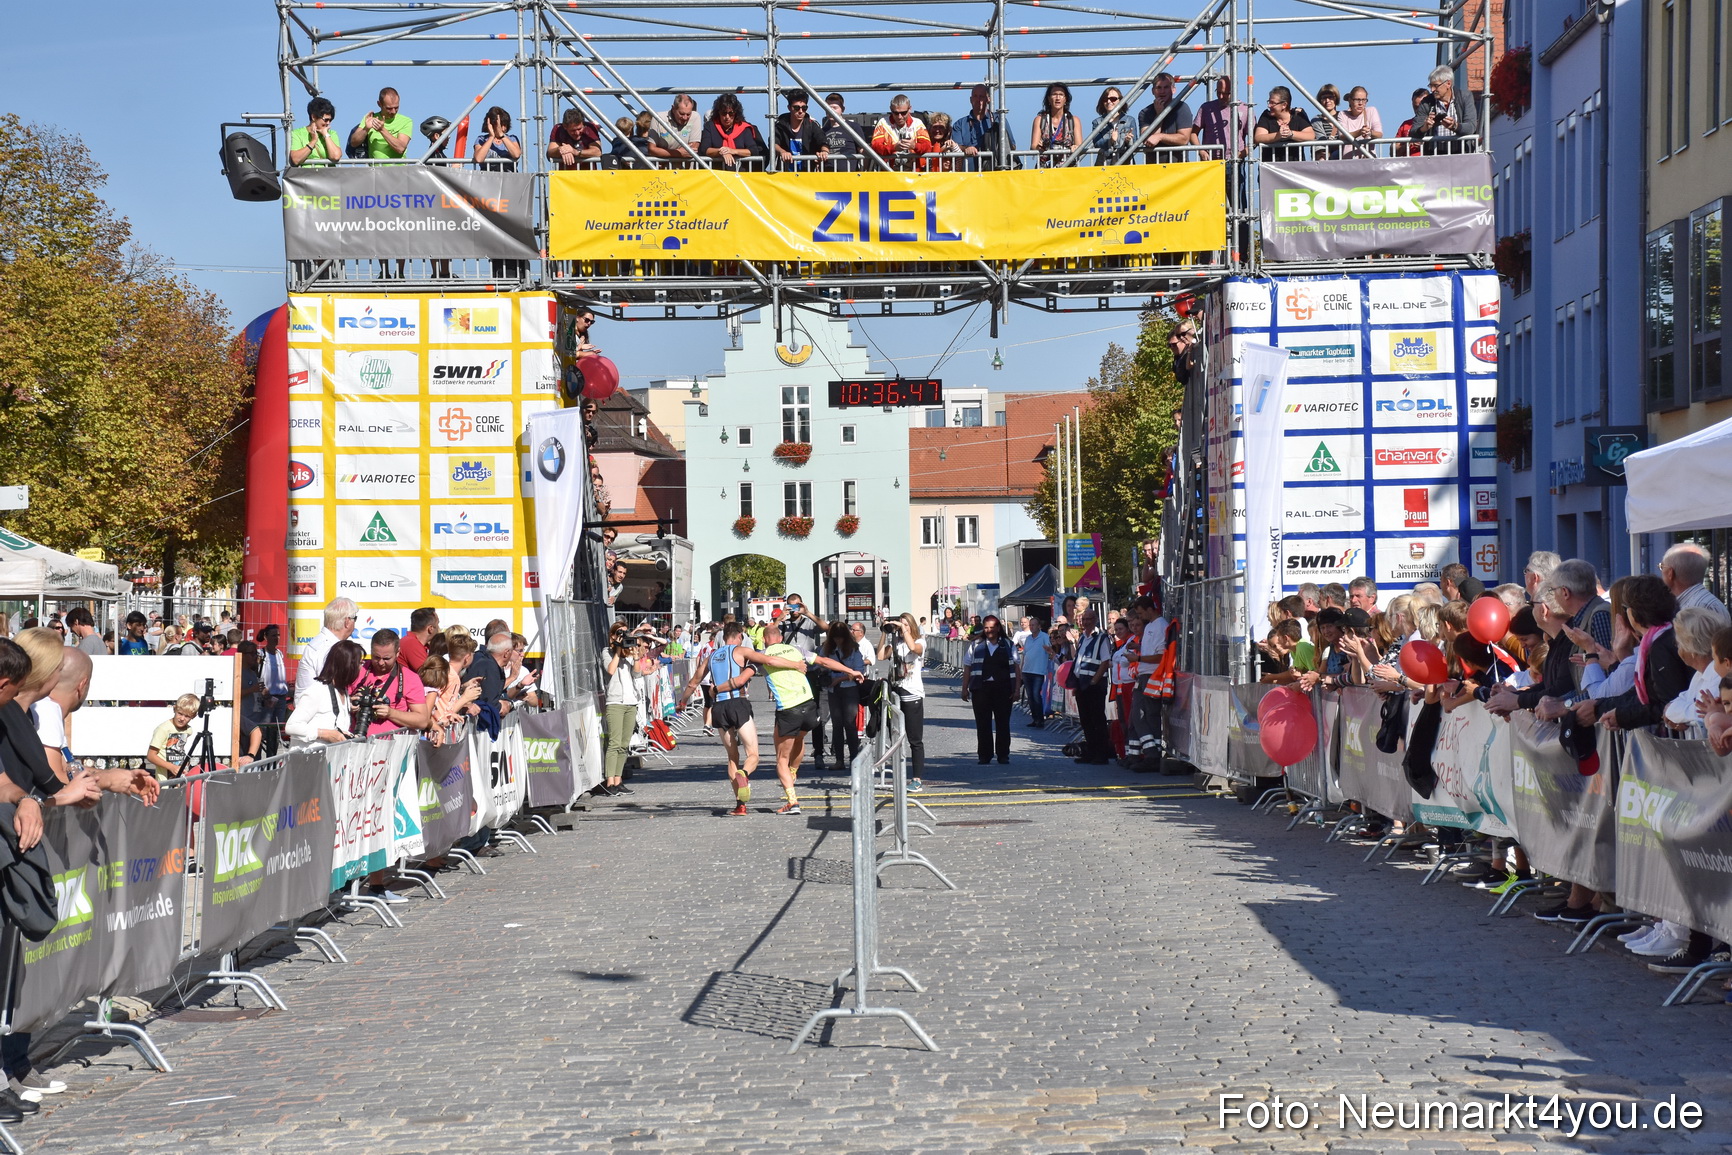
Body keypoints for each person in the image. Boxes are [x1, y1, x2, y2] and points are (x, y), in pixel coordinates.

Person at [701, 621, 807, 815]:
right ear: (740, 636)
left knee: (732, 757)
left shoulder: (711, 656)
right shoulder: (741, 651)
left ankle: (740, 805)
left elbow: (693, 682)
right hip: (738, 704)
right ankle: (745, 773)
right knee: (753, 755)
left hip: (719, 707)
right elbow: (770, 660)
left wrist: (682, 703)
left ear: (723, 637)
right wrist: (796, 665)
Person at [762, 623, 855, 814]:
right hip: (809, 705)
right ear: (780, 638)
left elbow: (751, 670)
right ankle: (794, 772)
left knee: (781, 759)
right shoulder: (796, 649)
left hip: (788, 709)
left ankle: (793, 802)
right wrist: (850, 671)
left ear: (765, 639)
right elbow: (824, 662)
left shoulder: (763, 654)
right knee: (800, 737)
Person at [778, 593, 829, 765]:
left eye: (796, 605)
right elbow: (769, 635)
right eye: (791, 606)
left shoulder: (808, 622)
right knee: (788, 710)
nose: (794, 610)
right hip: (789, 672)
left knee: (815, 712)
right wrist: (779, 618)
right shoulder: (783, 624)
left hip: (809, 671)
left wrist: (808, 613)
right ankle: (788, 751)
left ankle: (819, 752)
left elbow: (825, 628)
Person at [878, 613, 928, 789]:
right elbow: (880, 656)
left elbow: (914, 648)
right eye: (900, 625)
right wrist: (885, 631)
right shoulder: (896, 643)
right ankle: (899, 774)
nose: (900, 628)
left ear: (911, 626)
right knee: (895, 736)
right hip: (897, 692)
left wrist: (904, 628)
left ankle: (917, 779)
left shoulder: (920, 641)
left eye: (905, 624)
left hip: (912, 695)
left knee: (915, 739)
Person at [285, 639, 364, 746]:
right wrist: (325, 734)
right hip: (309, 760)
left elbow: (333, 726)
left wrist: (343, 734)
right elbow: (291, 726)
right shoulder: (318, 690)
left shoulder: (342, 691)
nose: (362, 667)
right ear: (348, 665)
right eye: (360, 663)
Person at [351, 629, 430, 736]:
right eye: (376, 657)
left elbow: (422, 721)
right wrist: (348, 705)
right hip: (355, 742)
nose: (380, 663)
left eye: (386, 658)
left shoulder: (410, 678)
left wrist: (390, 713)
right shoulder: (357, 670)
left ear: (397, 653)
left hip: (391, 748)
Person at [961, 615, 1016, 764]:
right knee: (982, 723)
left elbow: (1017, 667)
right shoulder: (975, 645)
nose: (989, 630)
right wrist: (964, 688)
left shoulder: (1008, 645)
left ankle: (1003, 754)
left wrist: (1016, 689)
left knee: (1003, 723)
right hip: (981, 688)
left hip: (1003, 689)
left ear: (998, 628)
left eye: (992, 627)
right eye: (986, 628)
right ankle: (984, 755)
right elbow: (967, 666)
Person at [820, 620, 868, 771]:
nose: (838, 641)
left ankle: (854, 758)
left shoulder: (854, 650)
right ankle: (839, 760)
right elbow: (819, 664)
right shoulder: (827, 649)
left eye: (840, 637)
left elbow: (859, 672)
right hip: (833, 690)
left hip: (849, 689)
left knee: (850, 723)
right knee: (837, 724)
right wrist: (824, 675)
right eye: (835, 638)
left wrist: (839, 678)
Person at [601, 629, 642, 798]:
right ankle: (609, 781)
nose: (624, 638)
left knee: (625, 744)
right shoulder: (607, 652)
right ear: (612, 636)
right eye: (620, 634)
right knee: (614, 743)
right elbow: (610, 670)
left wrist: (636, 654)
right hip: (615, 702)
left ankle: (618, 780)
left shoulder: (629, 653)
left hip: (630, 701)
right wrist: (617, 650)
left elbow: (637, 673)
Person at [295, 598, 358, 705]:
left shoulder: (325, 644)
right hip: (317, 716)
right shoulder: (327, 647)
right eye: (354, 619)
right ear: (347, 622)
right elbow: (329, 688)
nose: (355, 623)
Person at [1071, 610, 1114, 764]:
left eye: (1089, 619)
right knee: (1086, 720)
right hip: (1082, 684)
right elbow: (1079, 660)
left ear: (1095, 620)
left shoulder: (1102, 637)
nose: (1086, 622)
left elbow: (1105, 662)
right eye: (1084, 619)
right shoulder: (1083, 637)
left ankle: (1101, 755)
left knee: (1097, 720)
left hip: (1094, 685)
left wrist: (1094, 681)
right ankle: (1091, 751)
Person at [1409, 64, 1478, 154]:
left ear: (1448, 84)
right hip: (1435, 156)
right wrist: (1424, 128)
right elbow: (1413, 132)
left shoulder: (1464, 97)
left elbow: (1471, 127)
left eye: (1436, 85)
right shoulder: (1427, 102)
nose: (1432, 90)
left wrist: (1455, 126)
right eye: (1430, 86)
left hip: (1462, 154)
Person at [700, 93, 768, 169]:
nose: (727, 117)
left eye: (731, 113)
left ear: (736, 113)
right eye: (723, 113)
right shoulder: (710, 126)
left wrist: (733, 151)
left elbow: (753, 150)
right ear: (718, 113)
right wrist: (721, 151)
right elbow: (704, 149)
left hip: (741, 174)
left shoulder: (744, 128)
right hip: (716, 174)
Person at [1659, 542, 1729, 616]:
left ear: (1670, 573)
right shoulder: (1703, 603)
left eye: (1662, 567)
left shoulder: (1697, 609)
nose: (1661, 571)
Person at [1138, 73, 1194, 163]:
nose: (1162, 91)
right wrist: (1159, 115)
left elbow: (1184, 139)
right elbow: (1149, 140)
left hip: (1178, 168)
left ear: (1173, 90)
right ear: (1153, 91)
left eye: (1166, 87)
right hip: (1154, 168)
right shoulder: (1145, 112)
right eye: (1159, 88)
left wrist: (1160, 137)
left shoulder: (1182, 108)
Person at [146, 693, 202, 780]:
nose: (182, 718)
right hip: (164, 780)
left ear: (193, 716)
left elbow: (179, 749)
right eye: (180, 713)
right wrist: (171, 767)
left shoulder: (188, 730)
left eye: (187, 716)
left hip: (180, 776)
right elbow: (151, 756)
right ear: (174, 709)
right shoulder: (163, 729)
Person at [348, 86, 412, 160]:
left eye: (396, 107)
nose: (393, 111)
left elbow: (400, 148)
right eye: (389, 108)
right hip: (375, 170)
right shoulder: (370, 118)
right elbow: (353, 143)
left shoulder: (406, 121)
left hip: (398, 170)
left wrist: (382, 130)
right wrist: (366, 129)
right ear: (379, 104)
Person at [1253, 85, 1315, 161]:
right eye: (1269, 102)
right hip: (1270, 168)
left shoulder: (1298, 115)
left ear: (1284, 105)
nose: (1269, 105)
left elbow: (1311, 135)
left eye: (1273, 103)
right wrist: (1278, 135)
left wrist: (1290, 134)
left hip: (1295, 167)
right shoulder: (1266, 116)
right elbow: (1258, 137)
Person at [256, 624, 291, 757]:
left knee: (275, 731)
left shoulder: (280, 654)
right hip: (267, 698)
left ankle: (272, 759)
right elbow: (257, 674)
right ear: (266, 637)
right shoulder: (261, 654)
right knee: (263, 729)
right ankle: (258, 758)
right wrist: (263, 690)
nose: (277, 638)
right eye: (273, 635)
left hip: (280, 698)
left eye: (278, 635)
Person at [871, 94, 932, 166]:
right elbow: (875, 146)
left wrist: (914, 146)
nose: (899, 117)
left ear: (910, 109)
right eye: (896, 113)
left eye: (903, 113)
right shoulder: (883, 123)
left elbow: (927, 146)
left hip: (914, 172)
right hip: (889, 171)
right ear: (891, 109)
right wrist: (894, 148)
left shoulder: (917, 123)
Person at [1030, 83, 1084, 162]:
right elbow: (1033, 146)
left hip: (1068, 169)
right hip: (1045, 169)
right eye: (1054, 94)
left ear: (1065, 99)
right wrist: (1039, 147)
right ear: (1048, 98)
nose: (1058, 98)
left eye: (1061, 94)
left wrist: (1075, 147)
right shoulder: (1040, 120)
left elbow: (1079, 145)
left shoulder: (1073, 120)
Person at [774, 91, 827, 166]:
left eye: (804, 108)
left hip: (807, 174)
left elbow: (823, 141)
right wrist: (782, 152)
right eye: (796, 108)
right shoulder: (780, 124)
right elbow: (774, 143)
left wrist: (824, 151)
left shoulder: (812, 124)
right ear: (789, 108)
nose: (801, 111)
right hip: (785, 174)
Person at [1018, 617, 1054, 729]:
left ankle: (1040, 719)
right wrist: (1021, 669)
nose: (1032, 626)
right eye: (1031, 625)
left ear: (1039, 626)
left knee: (1036, 695)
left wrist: (1050, 651)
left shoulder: (1044, 637)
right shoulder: (1028, 638)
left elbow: (1050, 651)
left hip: (1038, 670)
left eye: (1034, 624)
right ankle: (1034, 718)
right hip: (1027, 670)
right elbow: (1025, 654)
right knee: (1030, 696)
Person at [647, 94, 703, 163]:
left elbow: (692, 149)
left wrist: (664, 152)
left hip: (686, 171)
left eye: (688, 114)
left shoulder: (695, 117)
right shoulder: (658, 118)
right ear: (673, 109)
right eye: (681, 114)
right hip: (663, 170)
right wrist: (677, 153)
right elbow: (651, 149)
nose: (685, 118)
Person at [290, 96, 343, 167]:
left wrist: (326, 135)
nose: (328, 123)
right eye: (326, 120)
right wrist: (313, 141)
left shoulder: (332, 134)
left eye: (330, 120)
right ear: (314, 117)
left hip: (328, 177)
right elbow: (295, 160)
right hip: (306, 177)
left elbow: (336, 156)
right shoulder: (297, 134)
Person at [1089, 88, 1134, 166]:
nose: (1109, 101)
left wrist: (1128, 141)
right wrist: (1111, 141)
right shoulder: (1097, 122)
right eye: (1105, 99)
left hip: (1126, 165)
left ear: (1120, 100)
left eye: (1113, 99)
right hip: (1103, 166)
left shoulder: (1130, 120)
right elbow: (1097, 143)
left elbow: (1135, 144)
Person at [818, 93, 862, 168]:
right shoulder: (822, 130)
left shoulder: (853, 127)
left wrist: (864, 171)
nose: (831, 111)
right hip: (828, 175)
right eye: (828, 108)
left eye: (835, 108)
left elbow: (862, 150)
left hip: (849, 175)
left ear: (843, 109)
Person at [1336, 85, 1382, 157]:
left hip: (1369, 161)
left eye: (1364, 100)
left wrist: (1370, 132)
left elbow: (1379, 134)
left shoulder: (1372, 111)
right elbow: (1342, 136)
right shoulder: (1342, 114)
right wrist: (1359, 132)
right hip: (1348, 163)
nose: (1361, 103)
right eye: (1357, 100)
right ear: (1350, 101)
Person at [471, 105, 522, 170]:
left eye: (505, 125)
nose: (503, 128)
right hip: (487, 177)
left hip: (509, 177)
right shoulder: (481, 139)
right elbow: (478, 158)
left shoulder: (512, 138)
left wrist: (502, 135)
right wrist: (491, 137)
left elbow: (516, 154)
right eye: (500, 125)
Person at [1309, 84, 1346, 156]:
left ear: (1336, 99)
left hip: (1345, 156)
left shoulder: (1344, 116)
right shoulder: (1317, 120)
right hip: (1328, 158)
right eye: (1324, 98)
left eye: (1331, 97)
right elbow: (1322, 142)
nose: (1327, 100)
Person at [399, 607, 439, 674]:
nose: (438, 628)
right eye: (438, 624)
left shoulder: (414, 643)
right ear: (430, 629)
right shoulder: (411, 643)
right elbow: (429, 675)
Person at [1393, 88, 1430, 157]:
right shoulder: (1405, 124)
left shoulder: (1435, 122)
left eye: (1421, 107)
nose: (1419, 110)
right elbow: (1393, 151)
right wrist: (1408, 144)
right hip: (1409, 165)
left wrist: (1425, 146)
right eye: (1416, 107)